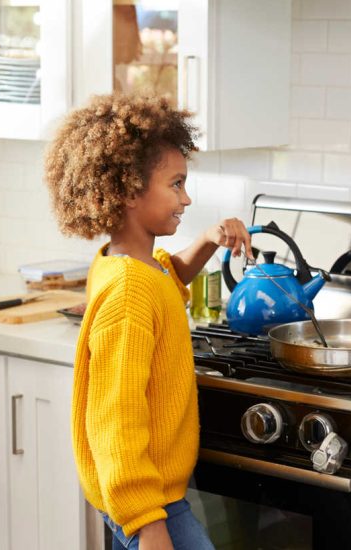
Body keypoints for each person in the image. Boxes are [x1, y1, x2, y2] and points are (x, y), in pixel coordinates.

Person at [44, 93, 252, 550]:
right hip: (147, 502)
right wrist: (146, 522)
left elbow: (166, 278)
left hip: (147, 495)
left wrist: (207, 241)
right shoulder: (129, 293)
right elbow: (115, 418)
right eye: (176, 184)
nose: (186, 197)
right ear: (127, 191)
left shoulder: (125, 265)